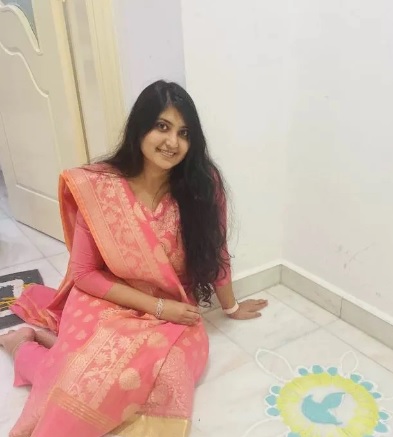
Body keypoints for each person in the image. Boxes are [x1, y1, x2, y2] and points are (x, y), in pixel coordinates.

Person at [0, 80, 268, 437]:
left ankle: (49, 349)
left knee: (170, 374)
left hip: (174, 307)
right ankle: (23, 345)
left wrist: (231, 307)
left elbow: (215, 249)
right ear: (140, 127)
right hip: (106, 298)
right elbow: (85, 274)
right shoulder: (100, 187)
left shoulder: (202, 185)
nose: (172, 142)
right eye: (162, 126)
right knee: (86, 379)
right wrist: (158, 308)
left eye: (184, 133)